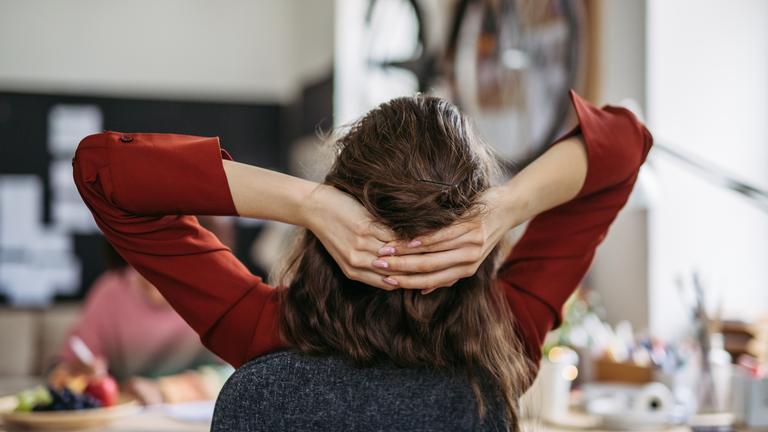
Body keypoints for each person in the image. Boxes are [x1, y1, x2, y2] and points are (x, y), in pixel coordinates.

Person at [71, 91, 652, 430]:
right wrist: (506, 207)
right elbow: (624, 145)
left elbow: (103, 172)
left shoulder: (265, 335)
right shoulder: (507, 337)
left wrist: (309, 203)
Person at [49, 243, 229, 404]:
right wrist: (74, 374)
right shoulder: (111, 292)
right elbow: (64, 369)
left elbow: (237, 375)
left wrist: (164, 391)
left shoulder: (216, 294)